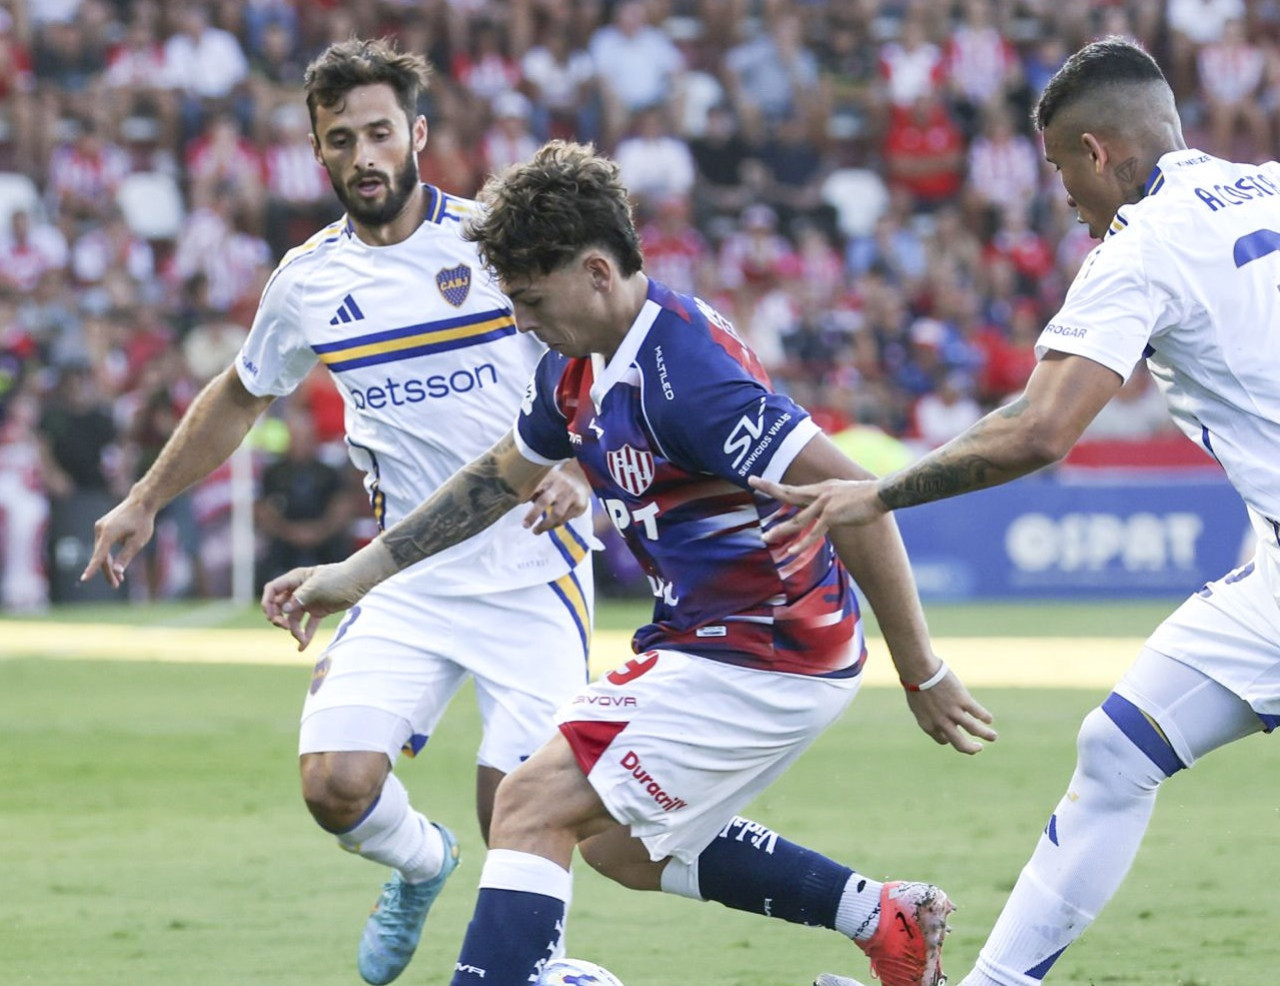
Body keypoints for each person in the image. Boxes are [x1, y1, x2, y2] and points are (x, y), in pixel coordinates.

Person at [262, 140, 998, 986]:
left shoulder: (687, 377)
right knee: (616, 845)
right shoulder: (579, 365)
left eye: (533, 300)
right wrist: (357, 574)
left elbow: (859, 499)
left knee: (530, 803)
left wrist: (922, 670)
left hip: (766, 648)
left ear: (598, 271)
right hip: (706, 639)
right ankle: (883, 917)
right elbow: (498, 477)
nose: (523, 323)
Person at [751, 38, 1280, 986]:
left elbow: (1039, 431)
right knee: (1117, 750)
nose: (1064, 201)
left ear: (1094, 151)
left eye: (1058, 171)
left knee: (1117, 756)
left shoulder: (1144, 244)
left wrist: (876, 491)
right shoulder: (1267, 185)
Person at [80, 39, 596, 986]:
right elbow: (241, 393)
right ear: (318, 155)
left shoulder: (495, 249)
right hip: (404, 572)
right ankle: (420, 864)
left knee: (520, 813)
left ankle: (538, 968)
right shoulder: (308, 281)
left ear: (418, 136)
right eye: (340, 139)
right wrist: (146, 499)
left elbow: (601, 359)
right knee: (335, 785)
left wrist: (587, 470)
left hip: (535, 573)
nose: (363, 155)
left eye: (379, 133)